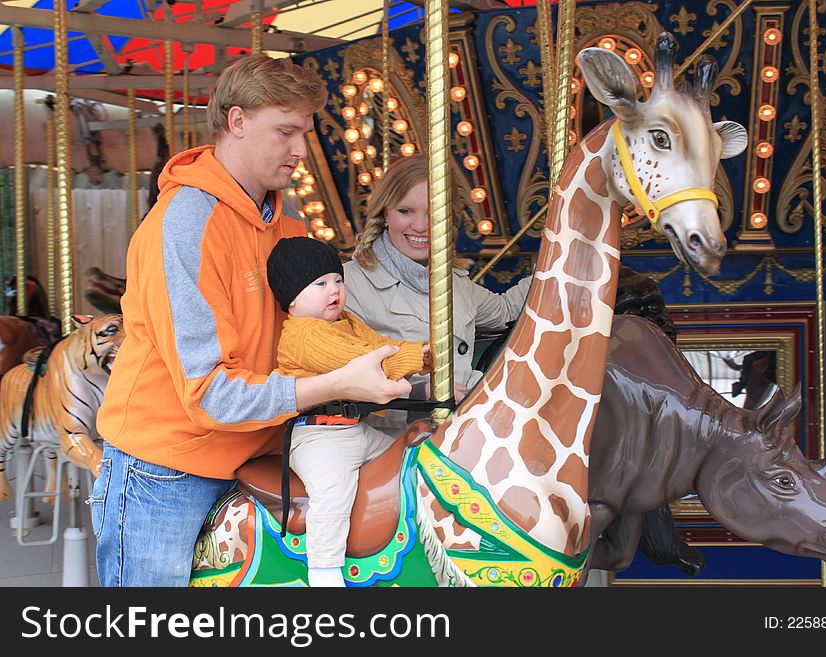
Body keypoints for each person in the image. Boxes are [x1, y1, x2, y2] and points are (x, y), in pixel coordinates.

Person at [91, 53, 412, 587]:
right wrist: (332, 384)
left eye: (304, 133)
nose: (299, 151)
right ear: (236, 121)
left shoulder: (286, 224)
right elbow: (211, 392)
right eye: (285, 131)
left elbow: (314, 335)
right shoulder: (185, 225)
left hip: (264, 453)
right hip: (168, 466)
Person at [267, 236, 431, 586]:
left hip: (352, 429)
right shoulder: (304, 335)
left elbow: (381, 347)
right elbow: (364, 363)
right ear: (292, 297)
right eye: (320, 284)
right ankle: (323, 570)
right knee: (333, 491)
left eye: (338, 280)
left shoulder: (348, 320)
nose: (334, 290)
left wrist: (421, 351)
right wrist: (418, 357)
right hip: (318, 437)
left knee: (406, 459)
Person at [343, 154, 531, 436]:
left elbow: (505, 311)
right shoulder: (350, 285)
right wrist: (419, 391)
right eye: (406, 211)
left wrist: (557, 263)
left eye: (434, 213)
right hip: (391, 440)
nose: (420, 226)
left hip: (461, 432)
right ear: (385, 214)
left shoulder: (453, 283)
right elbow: (339, 375)